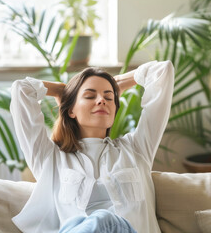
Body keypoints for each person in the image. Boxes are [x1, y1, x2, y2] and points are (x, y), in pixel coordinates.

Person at [10, 61, 174, 233]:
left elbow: (162, 71)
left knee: (105, 220)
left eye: (109, 97)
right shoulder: (50, 158)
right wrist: (60, 90)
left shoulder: (136, 149)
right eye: (90, 96)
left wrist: (118, 82)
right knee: (100, 220)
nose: (102, 100)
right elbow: (22, 90)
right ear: (70, 110)